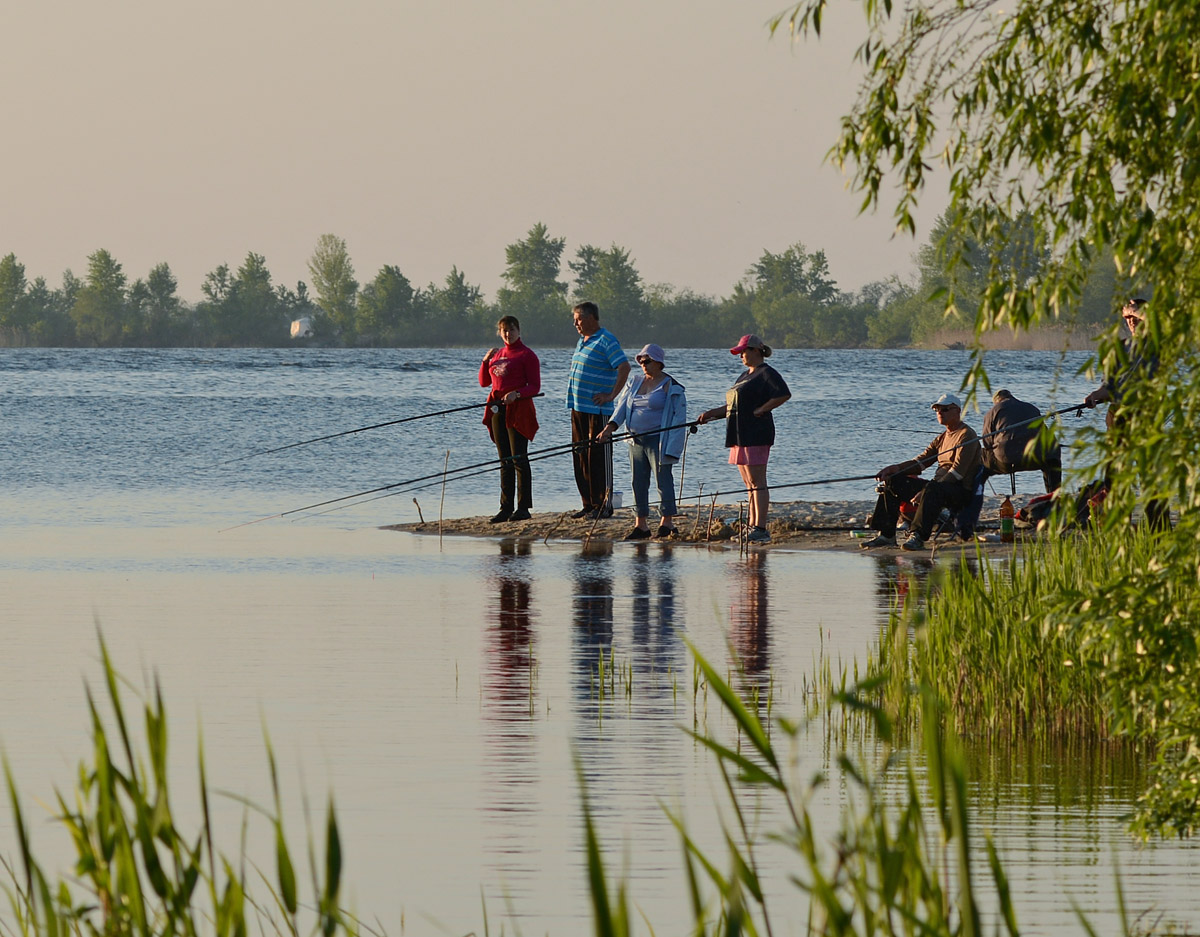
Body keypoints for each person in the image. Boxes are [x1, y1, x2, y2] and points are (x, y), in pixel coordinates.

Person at [1083, 297, 1170, 529]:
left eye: (1135, 317)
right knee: (1115, 476)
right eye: (1128, 318)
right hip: (1118, 416)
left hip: (1147, 416)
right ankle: (1117, 528)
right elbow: (1108, 385)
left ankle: (1159, 531)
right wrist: (1095, 395)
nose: (1131, 321)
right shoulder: (1119, 348)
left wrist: (1137, 310)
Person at [696, 335, 791, 543]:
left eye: (744, 351)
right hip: (738, 434)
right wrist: (712, 413)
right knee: (749, 483)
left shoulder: (767, 373)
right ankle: (751, 525)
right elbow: (732, 406)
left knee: (758, 482)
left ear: (757, 350)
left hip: (756, 433)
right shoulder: (743, 376)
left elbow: (783, 394)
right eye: (739, 352)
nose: (741, 355)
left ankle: (761, 528)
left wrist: (761, 409)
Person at [861, 392, 981, 551]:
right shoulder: (942, 437)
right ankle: (887, 535)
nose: (940, 413)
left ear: (957, 411)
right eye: (937, 409)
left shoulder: (967, 435)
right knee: (893, 481)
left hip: (960, 490)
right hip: (937, 487)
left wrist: (926, 490)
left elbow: (957, 472)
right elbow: (921, 462)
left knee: (932, 488)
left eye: (945, 409)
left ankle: (917, 536)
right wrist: (896, 468)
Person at [596, 344, 688, 540]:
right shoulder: (634, 382)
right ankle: (641, 525)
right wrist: (609, 429)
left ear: (658, 362)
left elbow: (679, 420)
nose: (643, 365)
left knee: (663, 480)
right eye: (640, 361)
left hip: (659, 440)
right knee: (638, 482)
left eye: (647, 361)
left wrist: (673, 448)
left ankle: (667, 522)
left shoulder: (672, 387)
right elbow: (620, 409)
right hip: (635, 440)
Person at [565, 301, 630, 519]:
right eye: (574, 320)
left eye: (579, 319)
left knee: (598, 458)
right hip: (578, 408)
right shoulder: (581, 341)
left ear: (592, 317)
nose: (576, 324)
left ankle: (604, 505)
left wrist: (611, 395)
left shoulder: (606, 340)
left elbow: (624, 367)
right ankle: (588, 504)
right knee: (581, 456)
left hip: (598, 410)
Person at [479, 315, 540, 523]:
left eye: (512, 330)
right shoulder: (498, 355)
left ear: (519, 331)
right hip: (498, 410)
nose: (508, 334)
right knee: (504, 460)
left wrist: (518, 394)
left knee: (519, 459)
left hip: (519, 411)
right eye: (504, 330)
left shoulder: (527, 355)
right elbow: (484, 382)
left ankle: (523, 508)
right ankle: (506, 507)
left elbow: (535, 386)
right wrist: (485, 361)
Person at [980, 389, 1062, 493]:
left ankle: (975, 495)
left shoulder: (993, 411)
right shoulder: (1032, 408)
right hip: (1034, 458)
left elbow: (987, 443)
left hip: (1006, 461)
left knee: (978, 457)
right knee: (1052, 455)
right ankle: (1054, 494)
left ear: (997, 400)